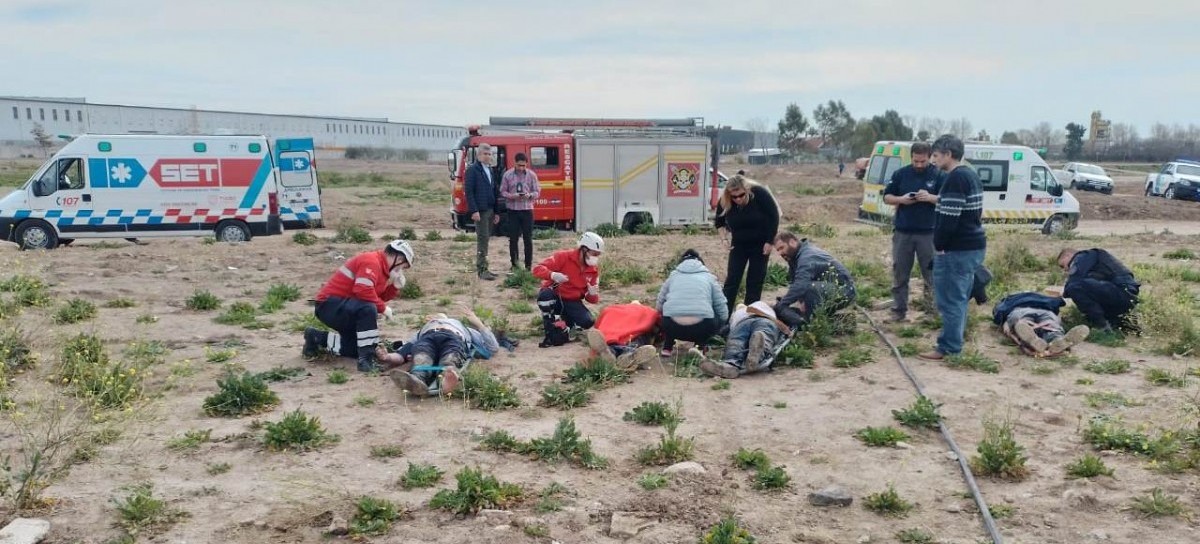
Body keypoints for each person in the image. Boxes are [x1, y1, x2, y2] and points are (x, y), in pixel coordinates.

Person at [919, 135, 987, 362]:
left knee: (949, 300)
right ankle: (954, 342)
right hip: (971, 246)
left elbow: (949, 218)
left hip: (956, 250)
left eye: (936, 155)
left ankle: (949, 347)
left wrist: (939, 246)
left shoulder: (955, 179)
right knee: (958, 297)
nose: (933, 160)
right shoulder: (969, 175)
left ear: (948, 154)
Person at [302, 240, 415, 372]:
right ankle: (366, 360)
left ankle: (315, 337)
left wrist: (394, 287)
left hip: (342, 307)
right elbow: (363, 291)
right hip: (329, 305)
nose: (399, 271)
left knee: (355, 348)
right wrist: (383, 308)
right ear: (399, 258)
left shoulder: (381, 269)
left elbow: (376, 297)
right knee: (368, 309)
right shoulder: (372, 261)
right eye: (400, 267)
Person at [882, 141, 945, 322]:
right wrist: (901, 199)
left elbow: (947, 199)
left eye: (923, 161)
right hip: (903, 232)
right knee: (900, 273)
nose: (919, 165)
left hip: (929, 233)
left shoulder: (939, 175)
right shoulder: (901, 174)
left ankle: (931, 312)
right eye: (916, 161)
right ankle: (898, 310)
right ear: (911, 158)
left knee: (931, 275)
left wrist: (930, 197)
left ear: (930, 157)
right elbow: (887, 197)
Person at [383, 306, 499, 397]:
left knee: (450, 358)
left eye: (438, 316)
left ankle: (446, 378)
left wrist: (478, 323)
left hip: (453, 337)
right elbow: (403, 352)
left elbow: (493, 347)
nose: (435, 317)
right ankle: (417, 379)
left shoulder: (461, 326)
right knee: (421, 357)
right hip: (427, 338)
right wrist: (387, 357)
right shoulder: (423, 329)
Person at [714, 175, 780, 316]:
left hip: (760, 245)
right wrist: (724, 240)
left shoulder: (760, 194)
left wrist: (770, 241)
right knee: (732, 280)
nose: (738, 199)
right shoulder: (726, 200)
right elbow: (719, 222)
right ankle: (724, 317)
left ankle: (749, 315)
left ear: (747, 190)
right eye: (734, 197)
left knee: (755, 281)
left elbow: (774, 216)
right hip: (738, 244)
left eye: (741, 195)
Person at [532, 232, 603, 348]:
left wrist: (592, 294)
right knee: (545, 296)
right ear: (584, 249)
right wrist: (552, 275)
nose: (596, 257)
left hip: (572, 301)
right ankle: (549, 323)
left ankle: (568, 322)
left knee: (588, 322)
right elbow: (537, 269)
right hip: (555, 296)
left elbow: (593, 300)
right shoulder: (563, 257)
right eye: (594, 254)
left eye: (598, 255)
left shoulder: (593, 271)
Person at [772, 232, 856, 328]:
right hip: (825, 289)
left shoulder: (807, 257)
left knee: (809, 289)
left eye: (782, 248)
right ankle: (842, 321)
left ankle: (810, 324)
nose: (779, 253)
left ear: (792, 242)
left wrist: (782, 304)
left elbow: (800, 285)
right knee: (801, 296)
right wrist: (801, 301)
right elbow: (795, 282)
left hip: (844, 290)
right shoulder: (794, 257)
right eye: (778, 250)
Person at [656, 249, 729, 356]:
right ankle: (700, 346)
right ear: (701, 262)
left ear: (681, 263)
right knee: (715, 313)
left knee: (669, 312)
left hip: (672, 326)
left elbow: (659, 305)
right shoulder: (709, 277)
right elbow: (721, 304)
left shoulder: (673, 276)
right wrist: (722, 323)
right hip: (702, 327)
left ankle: (667, 348)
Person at [698, 301, 791, 379]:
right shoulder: (767, 309)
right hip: (766, 321)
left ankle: (731, 363)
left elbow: (724, 330)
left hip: (741, 323)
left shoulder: (737, 314)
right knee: (764, 335)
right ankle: (758, 353)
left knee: (735, 342)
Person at [1057, 248, 1140, 332]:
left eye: (1062, 265)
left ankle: (1102, 326)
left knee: (1074, 287)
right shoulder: (1093, 261)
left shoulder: (1083, 256)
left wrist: (1063, 293)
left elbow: (1074, 281)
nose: (1065, 269)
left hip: (1120, 292)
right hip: (1125, 296)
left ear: (1067, 256)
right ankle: (1119, 324)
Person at [992, 291, 1089, 357]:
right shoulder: (1046, 298)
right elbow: (1059, 307)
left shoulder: (1008, 300)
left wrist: (1008, 328)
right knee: (1052, 326)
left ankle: (1030, 341)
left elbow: (999, 315)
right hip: (1046, 310)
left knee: (1021, 324)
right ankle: (1057, 338)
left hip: (1019, 310)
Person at [583, 302, 661, 370]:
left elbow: (598, 325)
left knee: (609, 345)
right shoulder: (649, 311)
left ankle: (607, 352)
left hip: (610, 336)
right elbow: (660, 325)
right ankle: (628, 356)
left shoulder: (611, 309)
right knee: (637, 341)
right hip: (633, 336)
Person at [465, 143, 501, 280]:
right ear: (478, 155)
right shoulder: (472, 170)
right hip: (480, 211)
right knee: (482, 239)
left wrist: (497, 212)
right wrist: (474, 210)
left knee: (486, 239)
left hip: (490, 210)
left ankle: (485, 268)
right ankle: (482, 270)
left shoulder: (490, 170)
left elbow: (494, 191)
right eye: (484, 154)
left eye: (489, 154)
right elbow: (469, 192)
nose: (487, 156)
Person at [500, 152, 540, 270]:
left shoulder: (532, 175)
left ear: (526, 164)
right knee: (513, 239)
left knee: (528, 239)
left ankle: (528, 266)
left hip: (527, 210)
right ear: (515, 163)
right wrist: (512, 196)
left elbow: (537, 191)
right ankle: (515, 265)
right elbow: (502, 191)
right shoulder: (507, 175)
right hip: (513, 211)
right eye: (519, 165)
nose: (521, 168)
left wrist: (529, 195)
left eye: (523, 165)